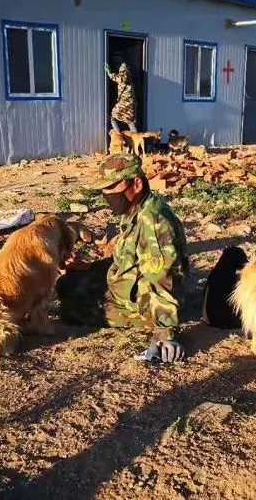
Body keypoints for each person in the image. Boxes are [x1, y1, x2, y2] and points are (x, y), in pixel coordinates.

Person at [57, 154, 189, 362]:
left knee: (71, 308)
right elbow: (126, 258)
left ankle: (147, 319)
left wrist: (165, 334)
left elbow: (163, 278)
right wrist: (91, 267)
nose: (106, 194)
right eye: (104, 188)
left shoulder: (153, 221)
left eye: (111, 188)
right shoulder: (135, 210)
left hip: (142, 303)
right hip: (126, 285)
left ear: (136, 184)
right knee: (66, 284)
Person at [105, 62, 138, 133]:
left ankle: (118, 134)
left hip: (124, 103)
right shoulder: (129, 76)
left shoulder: (124, 74)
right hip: (130, 103)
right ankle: (136, 138)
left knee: (112, 117)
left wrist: (110, 73)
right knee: (130, 121)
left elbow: (121, 79)